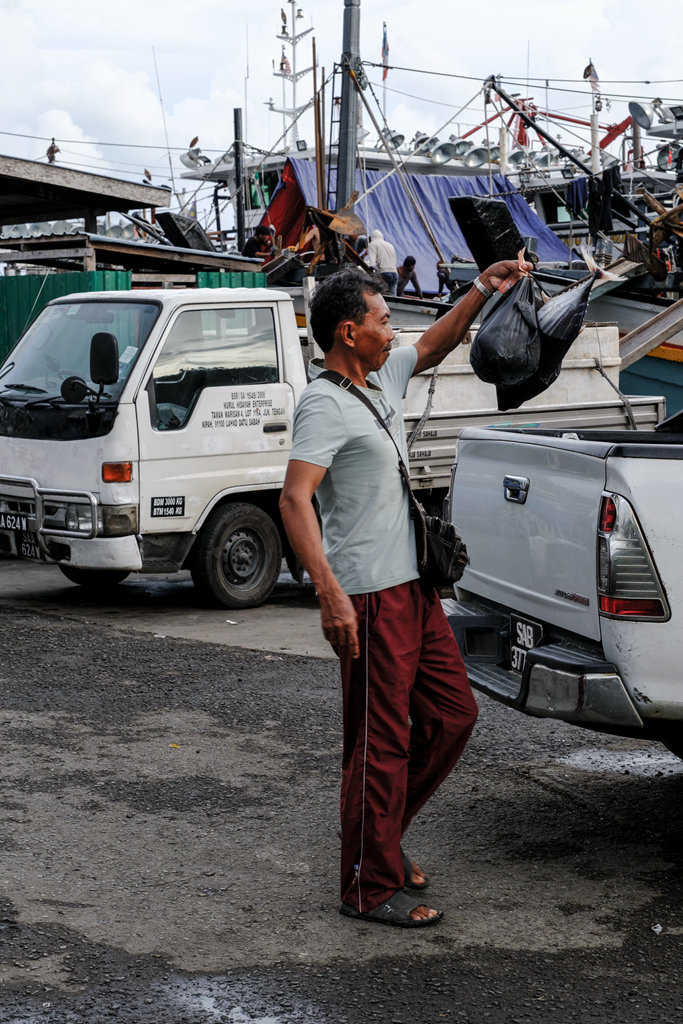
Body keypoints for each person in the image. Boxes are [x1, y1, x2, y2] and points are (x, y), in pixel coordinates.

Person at [279, 257, 531, 928]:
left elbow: (437, 340)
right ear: (347, 332)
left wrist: (484, 286)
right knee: (380, 742)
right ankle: (367, 886)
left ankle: (375, 839)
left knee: (454, 715)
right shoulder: (322, 404)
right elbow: (294, 499)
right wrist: (327, 595)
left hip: (414, 588)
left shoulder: (380, 376)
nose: (393, 332)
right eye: (381, 321)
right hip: (365, 594)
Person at [364, 229, 398, 294]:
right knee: (393, 296)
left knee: (381, 294)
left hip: (384, 273)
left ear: (372, 237)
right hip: (394, 273)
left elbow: (372, 264)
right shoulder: (390, 245)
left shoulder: (372, 244)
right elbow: (394, 260)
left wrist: (371, 270)